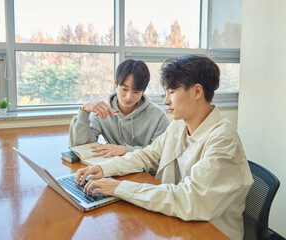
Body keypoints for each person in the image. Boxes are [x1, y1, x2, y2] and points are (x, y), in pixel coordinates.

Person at [75, 55, 253, 240]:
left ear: (197, 92)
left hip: (210, 232)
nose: (166, 101)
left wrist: (119, 187)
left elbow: (190, 200)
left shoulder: (223, 140)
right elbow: (147, 155)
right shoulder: (179, 125)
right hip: (179, 222)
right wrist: (103, 169)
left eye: (172, 92)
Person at [69, 59, 169, 158]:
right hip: (113, 169)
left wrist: (124, 150)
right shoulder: (102, 110)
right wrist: (84, 111)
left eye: (136, 92)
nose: (129, 97)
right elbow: (79, 146)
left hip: (145, 172)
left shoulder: (158, 116)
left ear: (144, 90)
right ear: (116, 83)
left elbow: (159, 155)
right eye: (124, 89)